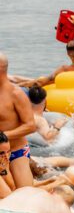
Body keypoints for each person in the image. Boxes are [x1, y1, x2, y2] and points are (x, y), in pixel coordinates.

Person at [31, 16, 74, 87]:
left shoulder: (63, 69)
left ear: (68, 54)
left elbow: (41, 82)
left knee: (41, 79)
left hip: (67, 95)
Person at [0, 53, 36, 189]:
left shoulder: (16, 94)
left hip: (16, 152)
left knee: (25, 192)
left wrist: (3, 137)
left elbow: (30, 125)